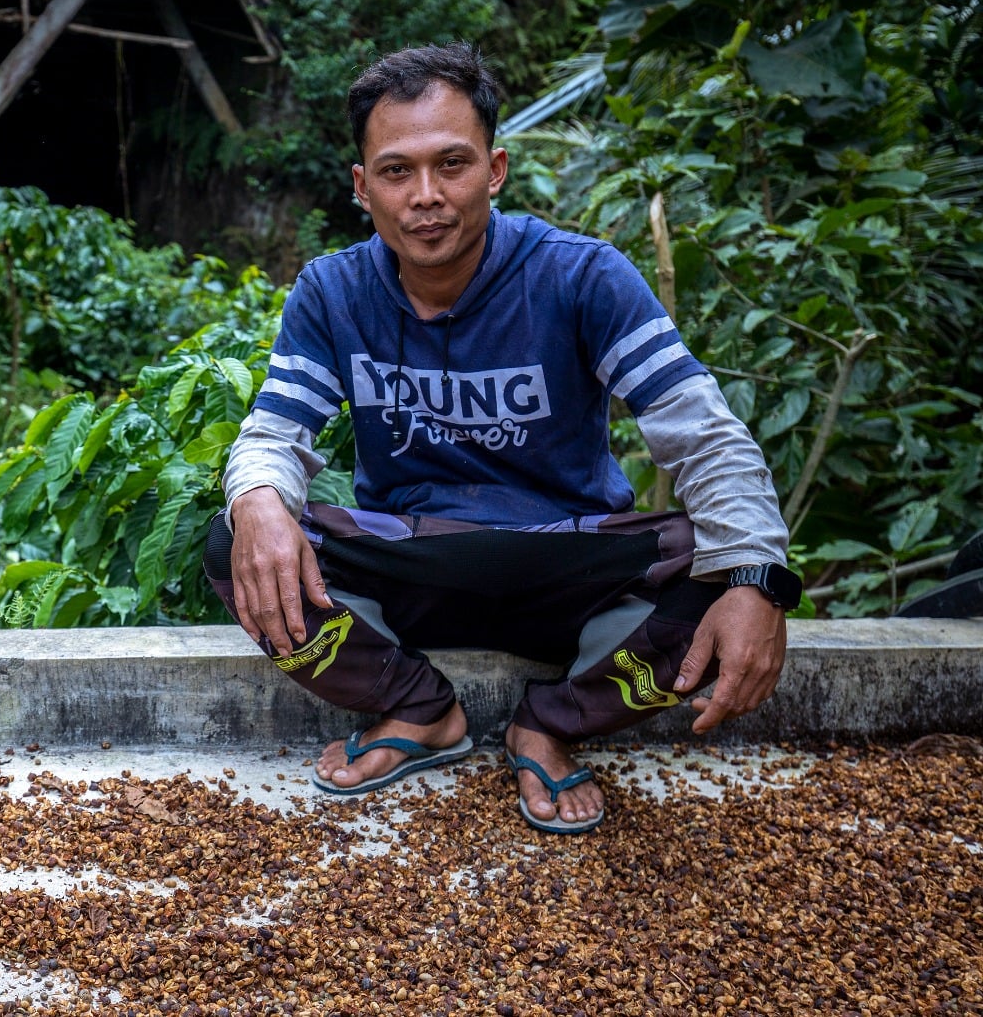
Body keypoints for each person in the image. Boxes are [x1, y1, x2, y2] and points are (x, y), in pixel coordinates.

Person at [202, 42, 800, 834]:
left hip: (569, 566)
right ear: (362, 186)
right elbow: (274, 433)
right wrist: (258, 500)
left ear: (495, 169)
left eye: (452, 164)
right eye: (396, 171)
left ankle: (552, 722)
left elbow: (706, 439)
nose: (426, 196)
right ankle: (416, 709)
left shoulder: (582, 276)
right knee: (235, 536)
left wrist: (757, 578)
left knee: (728, 563)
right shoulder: (333, 289)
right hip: (412, 566)